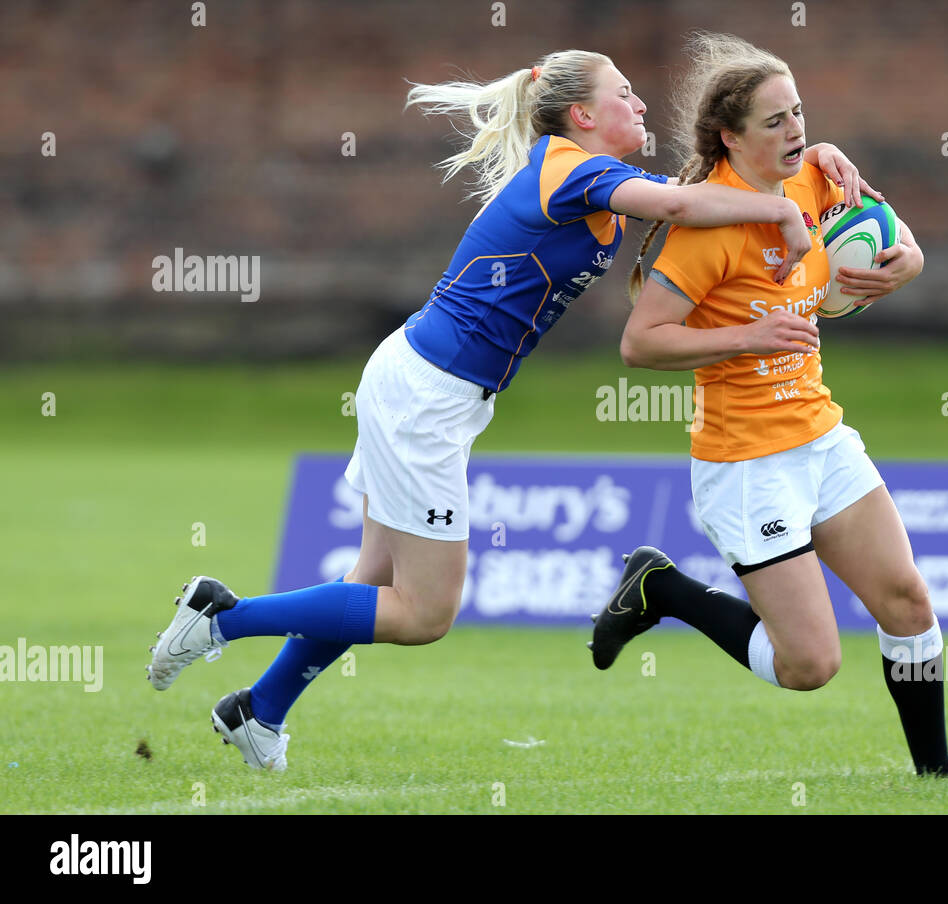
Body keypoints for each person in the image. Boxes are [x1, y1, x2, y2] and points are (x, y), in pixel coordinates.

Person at [146, 48, 881, 772]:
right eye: (623, 93)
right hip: (426, 397)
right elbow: (688, 203)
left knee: (373, 577)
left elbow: (703, 185)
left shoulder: (598, 176)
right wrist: (782, 213)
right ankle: (222, 616)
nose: (641, 103)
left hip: (428, 387)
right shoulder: (571, 166)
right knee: (424, 614)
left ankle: (258, 711)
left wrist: (812, 153)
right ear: (583, 114)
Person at [590, 33, 948, 777]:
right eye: (775, 121)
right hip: (745, 462)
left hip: (821, 437)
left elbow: (906, 247)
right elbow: (641, 344)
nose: (795, 130)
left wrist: (902, 268)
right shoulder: (703, 233)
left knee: (907, 600)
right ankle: (661, 588)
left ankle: (937, 773)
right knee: (809, 665)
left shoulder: (815, 181)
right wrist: (751, 334)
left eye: (798, 112)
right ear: (731, 138)